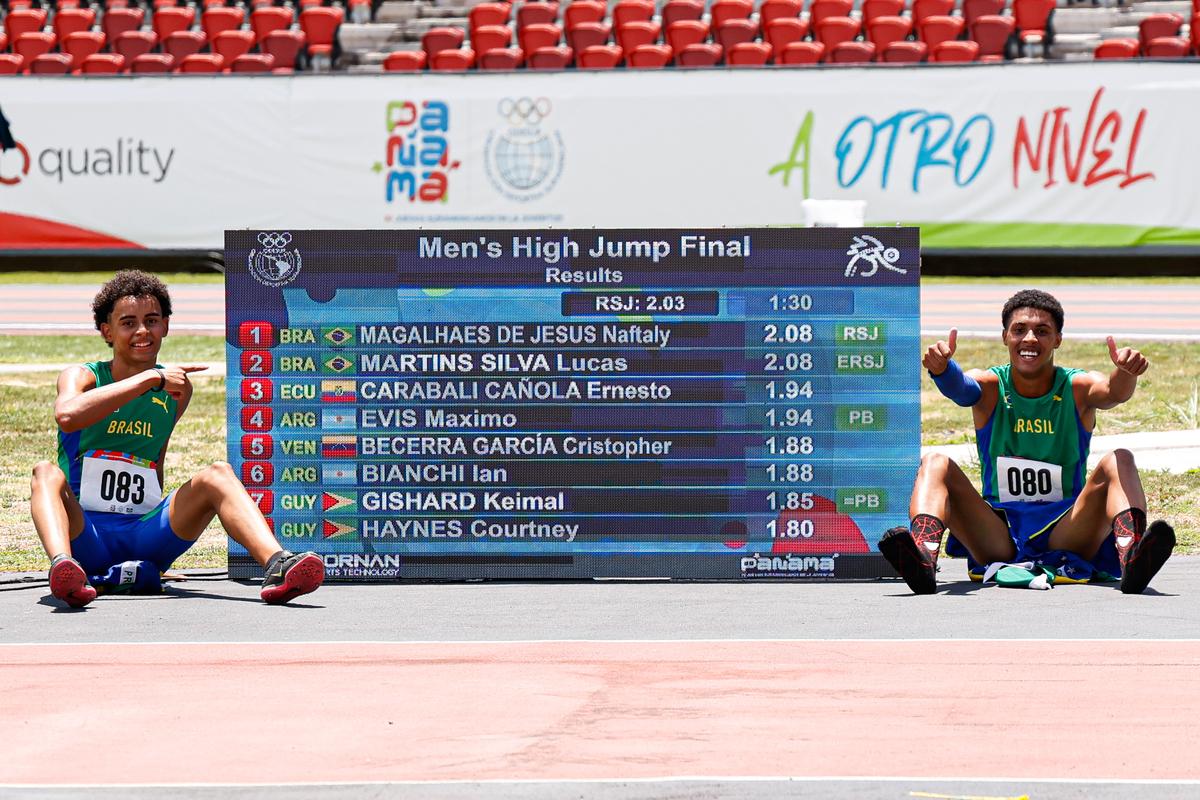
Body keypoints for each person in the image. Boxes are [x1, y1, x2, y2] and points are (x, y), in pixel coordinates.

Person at [30, 270, 324, 608]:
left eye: (152, 320)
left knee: (218, 473)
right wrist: (148, 379)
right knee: (45, 472)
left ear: (166, 326)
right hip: (87, 533)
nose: (142, 331)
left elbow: (155, 461)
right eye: (128, 323)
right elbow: (68, 415)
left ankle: (278, 565)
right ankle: (63, 566)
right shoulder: (84, 376)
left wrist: (160, 537)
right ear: (107, 331)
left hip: (144, 535)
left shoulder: (176, 388)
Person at [879, 289, 1175, 594]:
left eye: (1042, 331)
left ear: (1058, 339)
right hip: (998, 536)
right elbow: (963, 390)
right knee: (935, 462)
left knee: (1120, 458)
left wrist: (1125, 372)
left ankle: (1133, 557)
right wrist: (942, 370)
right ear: (1005, 336)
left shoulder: (1077, 387)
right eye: (1019, 330)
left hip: (1066, 531)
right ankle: (923, 559)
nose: (1030, 339)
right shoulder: (992, 385)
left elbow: (1113, 392)